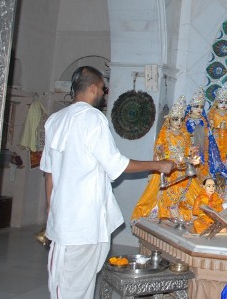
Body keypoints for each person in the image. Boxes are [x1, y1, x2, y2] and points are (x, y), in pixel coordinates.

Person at [40, 66, 177, 299]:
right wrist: (158, 165)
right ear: (93, 88)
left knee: (66, 285)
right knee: (73, 289)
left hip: (64, 221)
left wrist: (51, 210)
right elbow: (117, 164)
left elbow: (49, 172)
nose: (104, 93)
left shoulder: (55, 119)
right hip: (84, 224)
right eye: (103, 89)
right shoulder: (93, 118)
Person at [131, 96, 203, 223]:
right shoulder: (165, 134)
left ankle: (180, 213)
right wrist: (160, 153)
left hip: (182, 168)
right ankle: (166, 213)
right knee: (164, 193)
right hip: (168, 168)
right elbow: (159, 149)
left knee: (190, 194)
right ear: (169, 120)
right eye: (175, 119)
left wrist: (191, 151)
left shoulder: (184, 134)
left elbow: (186, 149)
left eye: (181, 119)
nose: (179, 122)